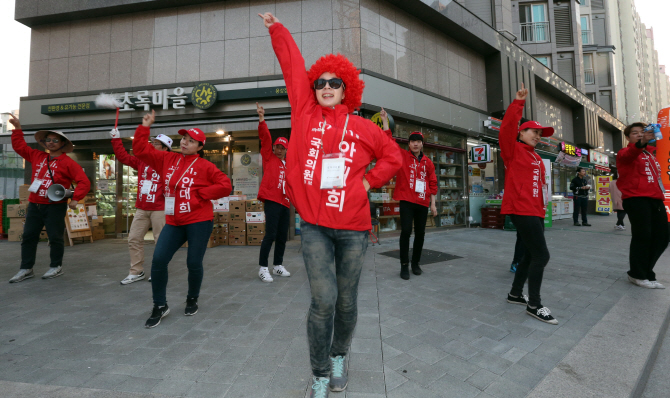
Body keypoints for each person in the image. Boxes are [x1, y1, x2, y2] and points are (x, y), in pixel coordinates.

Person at [260, 12, 402, 398]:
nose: (325, 86)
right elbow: (292, 66)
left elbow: (393, 157)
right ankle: (320, 372)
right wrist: (278, 28)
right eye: (320, 82)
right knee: (322, 301)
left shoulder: (363, 127)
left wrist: (367, 182)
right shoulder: (303, 111)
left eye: (334, 83)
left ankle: (340, 355)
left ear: (346, 89)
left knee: (346, 302)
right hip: (315, 228)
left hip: (354, 228)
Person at [133, 110, 232, 328]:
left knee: (193, 262)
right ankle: (160, 305)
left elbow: (225, 185)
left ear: (200, 147)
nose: (185, 142)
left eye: (191, 141)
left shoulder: (205, 166)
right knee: (158, 260)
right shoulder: (168, 158)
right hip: (174, 221)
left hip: (199, 220)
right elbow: (140, 150)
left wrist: (201, 194)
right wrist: (145, 127)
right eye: (184, 139)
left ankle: (192, 298)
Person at [8, 114, 91, 283]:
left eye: (55, 140)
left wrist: (75, 198)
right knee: (29, 236)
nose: (50, 142)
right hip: (34, 204)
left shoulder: (68, 163)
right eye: (48, 139)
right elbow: (19, 147)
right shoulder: (37, 156)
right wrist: (17, 128)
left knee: (55, 237)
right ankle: (26, 268)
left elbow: (84, 182)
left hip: (55, 205)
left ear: (62, 144)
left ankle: (56, 266)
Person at [500, 83, 558, 325]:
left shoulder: (536, 157)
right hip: (521, 210)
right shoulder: (512, 150)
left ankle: (515, 293)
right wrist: (518, 103)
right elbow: (506, 129)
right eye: (533, 131)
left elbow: (540, 189)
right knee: (542, 256)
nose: (537, 135)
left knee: (528, 254)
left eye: (540, 133)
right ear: (521, 134)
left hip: (535, 211)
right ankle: (534, 304)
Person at [379, 109, 437, 280]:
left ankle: (415, 263)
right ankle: (404, 265)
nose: (415, 144)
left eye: (418, 141)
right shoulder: (402, 156)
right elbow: (388, 141)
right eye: (412, 141)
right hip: (406, 200)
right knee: (405, 231)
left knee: (420, 233)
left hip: (422, 203)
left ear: (422, 144)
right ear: (409, 144)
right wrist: (384, 121)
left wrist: (432, 204)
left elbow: (432, 184)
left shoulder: (428, 163)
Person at [111, 128, 172, 284]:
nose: (152, 145)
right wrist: (116, 139)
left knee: (161, 241)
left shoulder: (169, 161)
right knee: (133, 238)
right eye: (151, 142)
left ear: (165, 148)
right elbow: (123, 157)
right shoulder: (142, 160)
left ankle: (158, 271)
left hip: (161, 207)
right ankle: (136, 271)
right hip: (142, 207)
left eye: (156, 143)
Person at [616, 122, 668, 289]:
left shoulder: (652, 155)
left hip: (656, 199)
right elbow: (630, 153)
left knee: (663, 236)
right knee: (643, 235)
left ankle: (647, 271)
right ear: (627, 137)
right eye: (635, 133)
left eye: (642, 132)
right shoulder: (625, 153)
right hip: (636, 198)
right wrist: (642, 142)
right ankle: (637, 274)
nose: (639, 134)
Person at [255, 102, 292, 283]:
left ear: (286, 150)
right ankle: (263, 267)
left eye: (282, 148)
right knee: (270, 235)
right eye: (277, 146)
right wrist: (262, 119)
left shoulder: (288, 165)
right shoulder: (269, 158)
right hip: (272, 200)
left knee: (282, 236)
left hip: (285, 202)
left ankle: (278, 265)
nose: (279, 149)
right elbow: (265, 138)